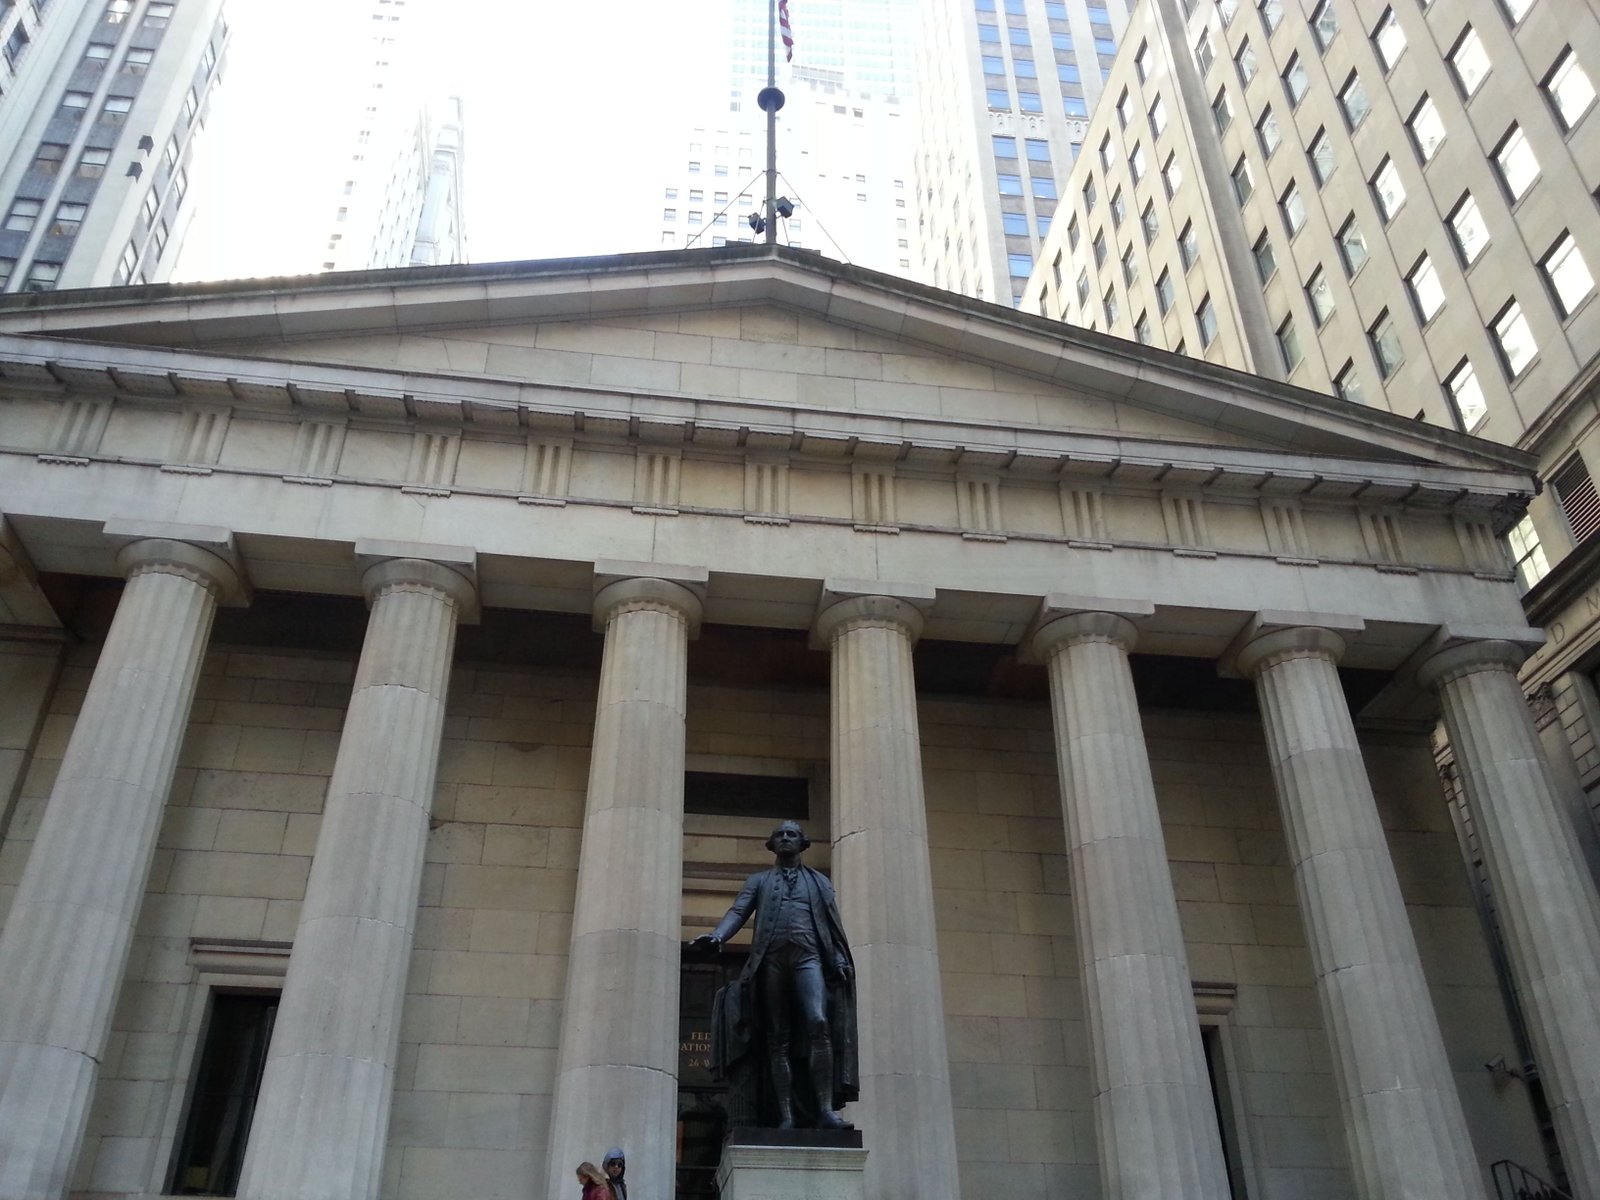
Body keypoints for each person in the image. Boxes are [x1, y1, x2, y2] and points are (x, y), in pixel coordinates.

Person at [690, 820, 858, 1130]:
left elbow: (831, 926)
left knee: (818, 1023)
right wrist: (717, 936)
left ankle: (824, 1110)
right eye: (779, 835)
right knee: (777, 1038)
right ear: (772, 844)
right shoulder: (759, 881)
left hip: (808, 958)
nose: (785, 838)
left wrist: (837, 958)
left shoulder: (819, 883)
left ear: (802, 843)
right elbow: (738, 912)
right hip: (771, 962)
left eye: (791, 834)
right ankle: (786, 1116)